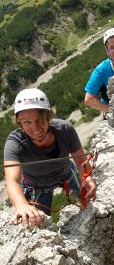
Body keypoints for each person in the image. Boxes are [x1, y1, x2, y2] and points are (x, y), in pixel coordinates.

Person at [3, 88, 96, 227]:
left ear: (48, 116)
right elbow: (12, 181)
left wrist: (87, 178)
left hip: (66, 172)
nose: (35, 128)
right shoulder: (15, 142)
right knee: (38, 224)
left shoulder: (64, 130)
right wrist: (21, 205)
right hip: (36, 184)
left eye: (39, 119)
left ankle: (92, 221)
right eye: (27, 122)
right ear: (19, 122)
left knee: (90, 200)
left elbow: (80, 160)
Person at [84, 27, 114, 114]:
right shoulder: (101, 70)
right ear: (107, 51)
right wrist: (112, 110)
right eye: (111, 47)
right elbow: (88, 99)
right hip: (113, 113)